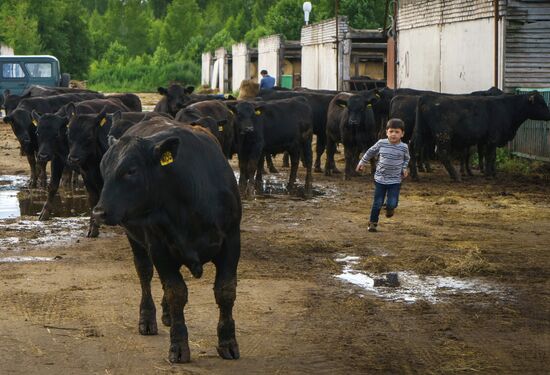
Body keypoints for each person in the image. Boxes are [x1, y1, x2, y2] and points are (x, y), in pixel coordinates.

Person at [356, 118, 410, 232]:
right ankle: (372, 223)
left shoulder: (404, 147)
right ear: (386, 132)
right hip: (380, 179)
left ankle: (390, 209)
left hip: (395, 181)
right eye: (391, 131)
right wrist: (362, 162)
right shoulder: (381, 143)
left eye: (397, 132)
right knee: (377, 203)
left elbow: (406, 159)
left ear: (402, 134)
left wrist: (404, 168)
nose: (393, 134)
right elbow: (370, 152)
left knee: (392, 203)